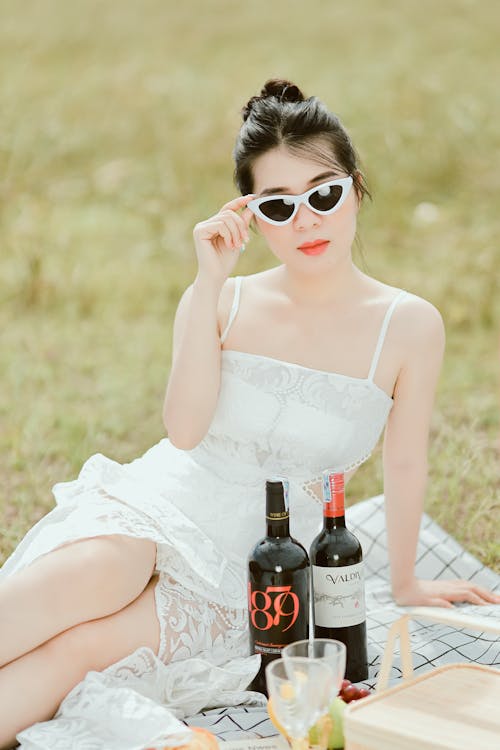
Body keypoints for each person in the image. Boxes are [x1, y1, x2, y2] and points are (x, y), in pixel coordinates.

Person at [0, 78, 499, 750]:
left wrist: (405, 579)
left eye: (322, 195)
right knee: (98, 571)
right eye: (278, 206)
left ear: (355, 187)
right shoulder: (224, 300)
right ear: (250, 213)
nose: (307, 222)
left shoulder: (408, 325)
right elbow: (183, 432)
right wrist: (208, 282)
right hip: (160, 504)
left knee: (81, 650)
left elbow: (407, 459)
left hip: (260, 560)